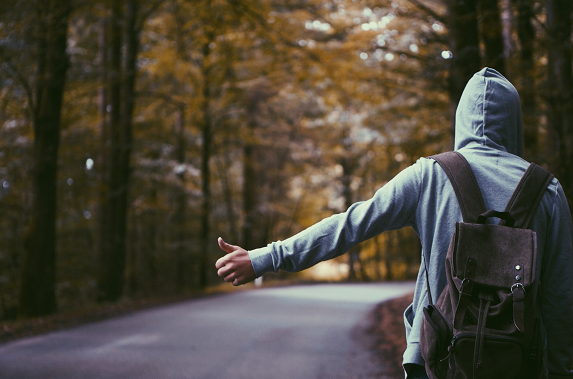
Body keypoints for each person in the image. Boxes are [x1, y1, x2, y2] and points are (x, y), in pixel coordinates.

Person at [215, 68, 573, 379]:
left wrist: (265, 258)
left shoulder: (431, 175)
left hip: (438, 361)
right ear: (515, 123)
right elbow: (560, 299)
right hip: (519, 364)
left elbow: (350, 225)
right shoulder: (547, 191)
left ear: (461, 119)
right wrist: (559, 370)